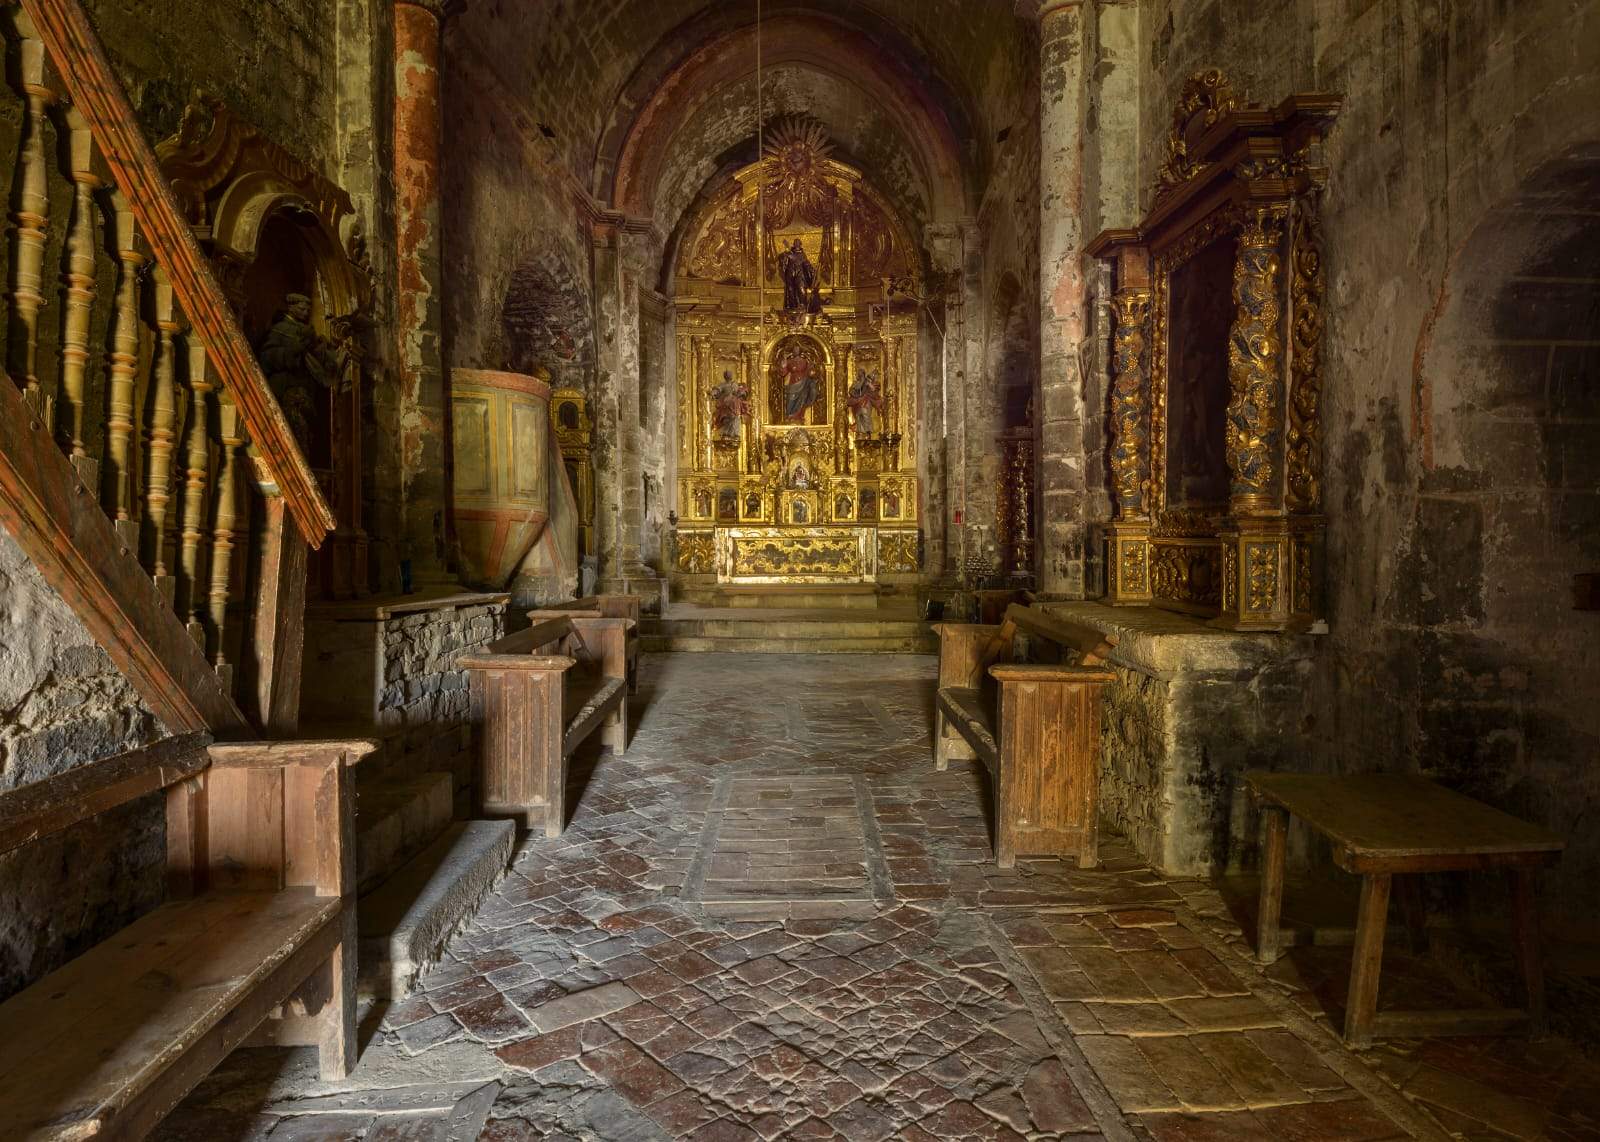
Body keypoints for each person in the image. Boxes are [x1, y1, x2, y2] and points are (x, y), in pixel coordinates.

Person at [257, 292, 344, 449]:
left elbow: (319, 359)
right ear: (291, 308)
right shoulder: (280, 329)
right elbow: (266, 358)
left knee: (307, 432)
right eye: (302, 309)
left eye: (307, 311)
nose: (305, 313)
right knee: (292, 431)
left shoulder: (308, 332)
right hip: (286, 389)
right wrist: (292, 351)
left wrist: (327, 347)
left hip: (306, 390)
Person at [777, 238, 820, 313]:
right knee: (791, 291)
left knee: (802, 290)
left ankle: (802, 306)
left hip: (800, 275)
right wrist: (785, 255)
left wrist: (812, 270)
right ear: (794, 245)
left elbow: (807, 264)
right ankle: (792, 308)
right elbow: (782, 261)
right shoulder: (789, 253)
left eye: (798, 243)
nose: (797, 245)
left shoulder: (802, 254)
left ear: (800, 244)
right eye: (795, 243)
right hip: (790, 275)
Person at [780, 351, 819, 423]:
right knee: (790, 399)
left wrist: (812, 371)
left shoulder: (805, 361)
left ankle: (799, 417)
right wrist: (784, 365)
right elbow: (783, 373)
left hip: (803, 383)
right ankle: (789, 416)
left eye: (798, 349)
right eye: (795, 349)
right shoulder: (789, 361)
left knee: (802, 400)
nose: (796, 350)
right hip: (792, 383)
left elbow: (810, 372)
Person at [847, 370, 884, 436]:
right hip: (858, 403)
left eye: (861, 375)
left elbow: (874, 390)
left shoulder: (868, 383)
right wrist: (857, 394)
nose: (860, 376)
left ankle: (868, 432)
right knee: (858, 416)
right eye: (859, 375)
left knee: (866, 415)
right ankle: (861, 432)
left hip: (866, 402)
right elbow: (851, 391)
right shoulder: (856, 383)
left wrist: (869, 385)